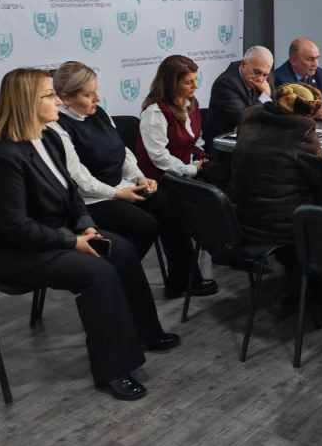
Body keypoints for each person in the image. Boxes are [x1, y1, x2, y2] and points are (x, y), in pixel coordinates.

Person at [0, 68, 179, 401]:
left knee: (121, 251)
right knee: (97, 273)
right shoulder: (1, 157)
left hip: (50, 235)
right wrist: (72, 241)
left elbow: (70, 193)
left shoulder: (47, 138)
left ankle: (145, 332)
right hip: (8, 252)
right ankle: (112, 369)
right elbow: (13, 227)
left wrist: (84, 225)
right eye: (50, 95)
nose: (57, 101)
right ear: (27, 102)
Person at [48, 61, 212, 300]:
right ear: (65, 98)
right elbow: (79, 178)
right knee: (145, 225)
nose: (97, 98)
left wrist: (139, 176)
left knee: (171, 206)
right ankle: (114, 278)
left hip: (120, 186)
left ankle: (183, 281)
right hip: (91, 199)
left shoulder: (98, 113)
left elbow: (122, 151)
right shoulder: (57, 127)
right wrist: (117, 194)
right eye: (88, 95)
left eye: (96, 91)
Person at [229, 82, 322, 313]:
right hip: (280, 227)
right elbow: (320, 180)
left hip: (243, 217)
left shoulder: (250, 119)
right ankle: (312, 287)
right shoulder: (301, 132)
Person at [134, 55, 230, 192]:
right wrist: (190, 169)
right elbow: (159, 156)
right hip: (163, 178)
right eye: (188, 82)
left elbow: (196, 139)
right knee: (211, 194)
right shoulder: (155, 112)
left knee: (229, 178)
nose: (195, 86)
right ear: (172, 84)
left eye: (195, 80)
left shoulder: (191, 103)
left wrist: (199, 160)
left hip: (190, 167)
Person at [204, 45, 275, 142]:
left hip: (254, 140)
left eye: (265, 74)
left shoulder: (267, 78)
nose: (260, 79)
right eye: (256, 72)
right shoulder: (225, 84)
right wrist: (265, 95)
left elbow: (276, 111)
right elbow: (247, 120)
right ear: (243, 64)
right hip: (225, 145)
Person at [274, 36, 322, 120]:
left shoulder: (319, 73)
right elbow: (284, 113)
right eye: (310, 59)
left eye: (317, 58)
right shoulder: (279, 78)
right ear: (293, 60)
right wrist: (313, 113)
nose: (315, 64)